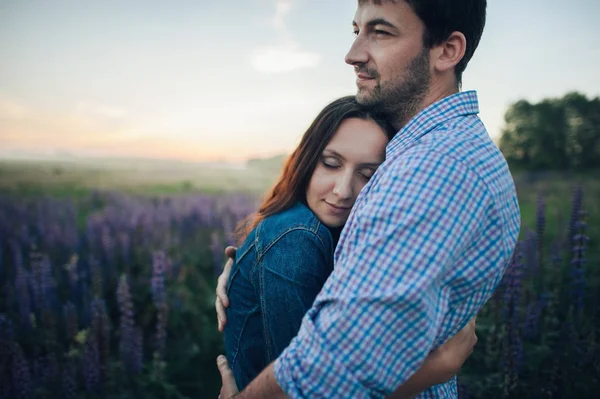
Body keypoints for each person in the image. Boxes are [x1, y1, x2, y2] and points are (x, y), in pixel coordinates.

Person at [215, 0, 520, 397]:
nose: (353, 54)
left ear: (447, 50)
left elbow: (328, 372)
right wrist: (256, 261)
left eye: (381, 32)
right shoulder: (440, 150)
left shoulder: (430, 170)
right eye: (356, 30)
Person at [220, 96, 478, 397]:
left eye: (367, 175)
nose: (343, 191)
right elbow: (312, 390)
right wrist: (440, 365)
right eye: (331, 164)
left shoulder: (354, 238)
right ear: (306, 160)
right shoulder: (295, 236)